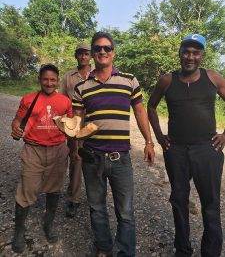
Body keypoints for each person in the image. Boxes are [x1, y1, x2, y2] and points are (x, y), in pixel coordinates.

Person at [72, 31, 155, 257]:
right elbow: (76, 121)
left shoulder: (129, 80)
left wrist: (149, 142)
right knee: (97, 208)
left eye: (107, 48)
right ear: (92, 53)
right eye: (97, 48)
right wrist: (73, 139)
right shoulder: (82, 87)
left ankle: (126, 251)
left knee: (126, 211)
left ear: (113, 52)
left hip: (121, 158)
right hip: (92, 156)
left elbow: (140, 112)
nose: (102, 51)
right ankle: (104, 247)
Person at [147, 34, 225, 257]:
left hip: (207, 150)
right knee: (179, 200)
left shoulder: (213, 78)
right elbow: (151, 106)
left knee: (210, 204)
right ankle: (183, 250)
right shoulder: (167, 81)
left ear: (202, 55)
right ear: (180, 53)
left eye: (195, 52)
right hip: (177, 151)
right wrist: (160, 137)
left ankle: (210, 252)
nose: (190, 56)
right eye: (186, 51)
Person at [11, 64, 72, 253]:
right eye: (45, 79)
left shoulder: (64, 102)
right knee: (26, 191)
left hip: (58, 151)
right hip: (33, 150)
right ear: (40, 79)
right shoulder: (28, 99)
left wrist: (76, 145)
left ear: (57, 80)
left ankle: (48, 224)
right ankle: (19, 231)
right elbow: (17, 120)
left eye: (53, 79)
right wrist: (15, 127)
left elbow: (70, 126)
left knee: (54, 190)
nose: (49, 83)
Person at [59, 42, 93, 218]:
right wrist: (65, 127)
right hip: (75, 126)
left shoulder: (98, 74)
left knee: (96, 161)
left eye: (86, 53)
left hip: (94, 125)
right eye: (80, 53)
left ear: (91, 55)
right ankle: (74, 199)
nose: (83, 56)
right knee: (76, 160)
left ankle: (95, 199)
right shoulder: (68, 77)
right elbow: (62, 101)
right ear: (76, 56)